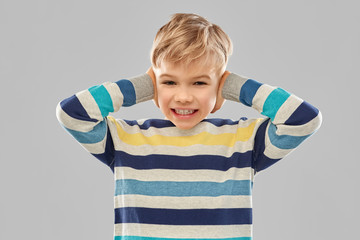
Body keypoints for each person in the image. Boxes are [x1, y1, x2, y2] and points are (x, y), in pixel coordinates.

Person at [56, 13, 322, 240]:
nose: (183, 96)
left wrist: (230, 85)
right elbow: (72, 113)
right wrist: (145, 85)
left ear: (219, 88)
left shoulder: (243, 140)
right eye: (170, 82)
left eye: (199, 83)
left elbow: (302, 119)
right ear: (153, 85)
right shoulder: (125, 139)